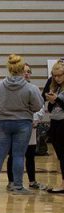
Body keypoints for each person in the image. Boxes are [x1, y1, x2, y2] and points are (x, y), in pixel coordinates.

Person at [0, 54, 43, 195]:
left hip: (3, 123)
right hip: (23, 123)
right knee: (19, 155)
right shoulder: (31, 88)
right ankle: (18, 187)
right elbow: (38, 106)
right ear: (21, 69)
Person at [7, 63, 43, 190]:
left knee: (30, 155)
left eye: (29, 71)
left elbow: (40, 107)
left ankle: (32, 181)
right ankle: (12, 181)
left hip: (30, 127)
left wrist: (36, 119)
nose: (27, 74)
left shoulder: (34, 88)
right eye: (24, 71)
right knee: (14, 154)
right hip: (16, 126)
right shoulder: (12, 89)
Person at [43, 61, 64, 194]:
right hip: (55, 123)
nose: (57, 78)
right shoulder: (55, 87)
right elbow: (51, 108)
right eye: (54, 76)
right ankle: (62, 181)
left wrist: (57, 100)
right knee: (60, 155)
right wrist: (52, 101)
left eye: (59, 75)